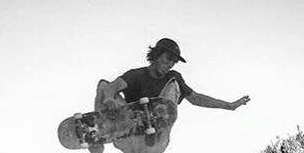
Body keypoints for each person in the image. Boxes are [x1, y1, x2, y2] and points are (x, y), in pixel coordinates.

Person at [95, 36, 250, 126]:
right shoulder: (136, 75)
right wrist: (109, 99)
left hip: (157, 131)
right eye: (168, 59)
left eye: (173, 62)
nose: (170, 64)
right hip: (131, 123)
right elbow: (112, 87)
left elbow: (196, 99)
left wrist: (229, 106)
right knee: (104, 85)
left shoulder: (172, 76)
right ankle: (99, 129)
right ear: (156, 55)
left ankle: (158, 120)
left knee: (174, 81)